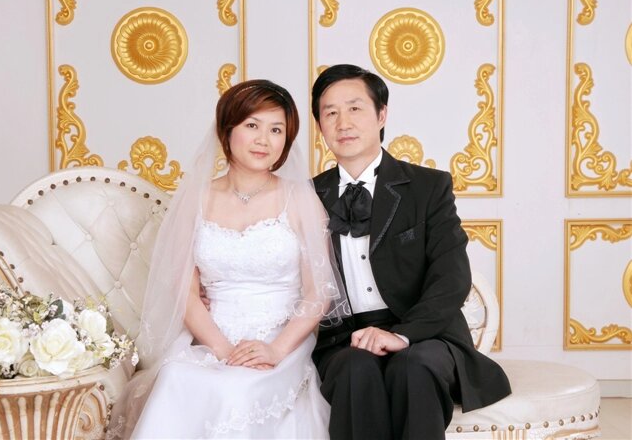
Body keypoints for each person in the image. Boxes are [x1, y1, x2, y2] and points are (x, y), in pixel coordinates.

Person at [108, 80, 350, 439]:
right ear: (227, 129)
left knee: (238, 391)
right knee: (177, 377)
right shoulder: (196, 199)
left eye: (276, 130)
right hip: (212, 338)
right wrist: (221, 349)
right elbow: (185, 292)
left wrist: (276, 349)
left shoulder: (299, 198)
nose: (264, 140)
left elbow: (318, 292)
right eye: (252, 125)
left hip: (282, 339)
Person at [309, 64, 512, 440]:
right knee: (354, 369)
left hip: (425, 333)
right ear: (320, 125)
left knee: (414, 365)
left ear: (381, 114)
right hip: (345, 340)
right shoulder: (306, 196)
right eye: (330, 112)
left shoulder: (428, 187)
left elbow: (451, 277)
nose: (343, 122)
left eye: (355, 108)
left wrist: (402, 335)